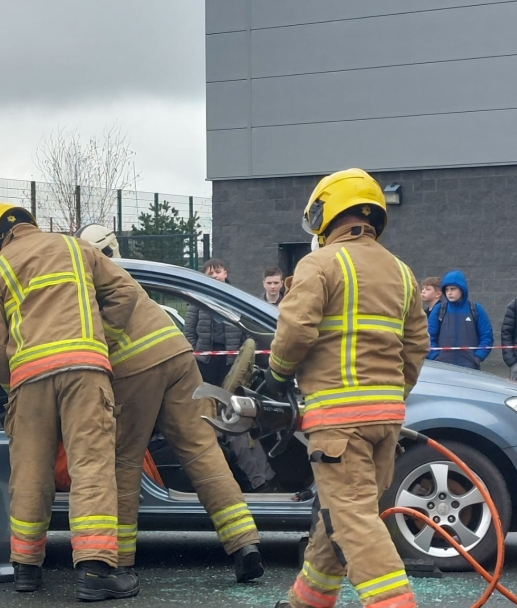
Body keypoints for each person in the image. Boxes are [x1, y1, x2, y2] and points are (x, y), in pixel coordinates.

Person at [265, 168, 428, 608]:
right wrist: (392, 396)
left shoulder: (319, 263)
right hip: (387, 421)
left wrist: (277, 374)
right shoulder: (402, 271)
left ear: (324, 212)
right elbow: (416, 347)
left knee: (353, 519)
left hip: (338, 424)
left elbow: (296, 329)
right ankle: (307, 601)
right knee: (341, 514)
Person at [0, 203, 139, 601]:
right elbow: (126, 291)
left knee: (30, 472)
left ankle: (27, 569)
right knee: (91, 467)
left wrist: (10, 382)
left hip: (29, 378)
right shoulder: (75, 248)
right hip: (84, 369)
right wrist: (104, 338)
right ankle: (95, 572)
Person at [80, 234, 264, 583]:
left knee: (125, 460)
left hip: (133, 368)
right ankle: (245, 544)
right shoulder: (125, 274)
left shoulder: (83, 279)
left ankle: (120, 560)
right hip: (178, 355)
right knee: (203, 451)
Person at [185, 258, 277, 494]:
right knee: (216, 414)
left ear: (226, 273)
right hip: (206, 363)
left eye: (218, 272)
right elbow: (189, 331)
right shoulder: (196, 302)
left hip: (230, 364)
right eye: (210, 273)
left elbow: (247, 331)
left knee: (232, 414)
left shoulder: (232, 299)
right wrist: (196, 354)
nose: (215, 276)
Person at [427, 271, 494, 370]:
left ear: (462, 289)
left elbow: (487, 337)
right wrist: (435, 357)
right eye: (446, 289)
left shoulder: (475, 309)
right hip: (442, 367)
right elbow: (428, 337)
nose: (449, 293)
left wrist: (477, 357)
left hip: (469, 367)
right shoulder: (439, 310)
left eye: (453, 289)